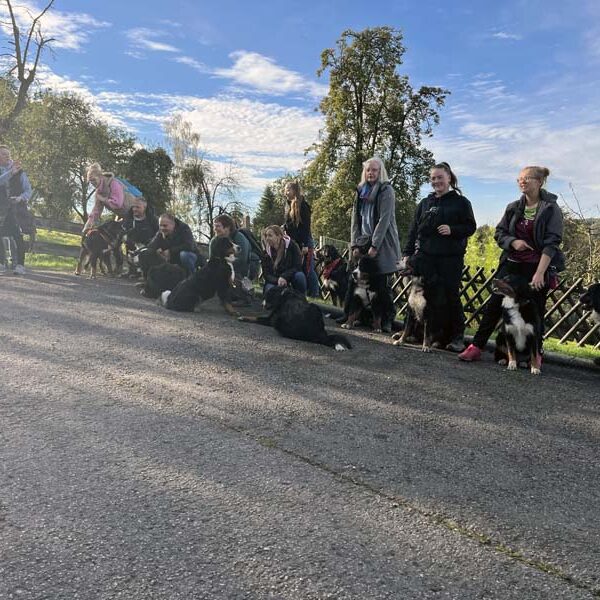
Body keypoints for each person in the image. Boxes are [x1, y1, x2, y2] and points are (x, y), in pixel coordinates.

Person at [459, 165, 564, 362]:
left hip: (537, 266)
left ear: (539, 182)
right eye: (520, 179)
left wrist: (540, 273)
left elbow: (552, 243)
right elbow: (500, 233)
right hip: (511, 264)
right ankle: (477, 346)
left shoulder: (551, 209)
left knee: (536, 310)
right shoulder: (514, 207)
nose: (522, 181)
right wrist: (513, 242)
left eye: (528, 178)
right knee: (493, 305)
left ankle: (536, 354)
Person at [402, 162, 476, 351]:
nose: (436, 181)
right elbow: (413, 230)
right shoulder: (425, 203)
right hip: (426, 259)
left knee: (450, 297)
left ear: (449, 178)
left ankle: (456, 337)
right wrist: (407, 254)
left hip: (450, 259)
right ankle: (413, 332)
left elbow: (470, 227)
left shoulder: (461, 202)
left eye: (440, 177)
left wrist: (453, 230)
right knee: (418, 297)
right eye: (433, 178)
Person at [348, 156, 401, 332]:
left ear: (380, 172)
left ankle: (386, 319)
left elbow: (384, 220)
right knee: (356, 282)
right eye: (368, 170)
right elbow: (355, 219)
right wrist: (354, 244)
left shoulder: (386, 191)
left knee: (382, 285)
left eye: (375, 170)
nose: (371, 173)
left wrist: (375, 245)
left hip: (382, 241)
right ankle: (353, 315)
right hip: (363, 239)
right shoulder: (360, 191)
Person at [283, 181, 319, 297]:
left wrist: (304, 245)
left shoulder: (303, 206)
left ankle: (314, 293)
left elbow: (305, 226)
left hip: (304, 240)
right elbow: (289, 224)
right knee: (299, 266)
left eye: (288, 189)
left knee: (308, 268)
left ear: (295, 191)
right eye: (285, 190)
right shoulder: (288, 205)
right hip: (293, 241)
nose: (286, 192)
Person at [0, 145, 32, 275]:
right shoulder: (9, 171)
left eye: (8, 154)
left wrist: (20, 198)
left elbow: (28, 190)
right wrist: (10, 173)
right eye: (4, 154)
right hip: (1, 209)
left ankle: (20, 265)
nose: (7, 156)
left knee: (17, 236)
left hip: (16, 209)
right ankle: (1, 263)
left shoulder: (20, 171)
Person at [83, 163, 131, 231]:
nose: (92, 183)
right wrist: (86, 227)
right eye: (91, 181)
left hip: (135, 213)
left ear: (100, 176)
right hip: (123, 216)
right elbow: (96, 212)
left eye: (94, 179)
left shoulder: (113, 183)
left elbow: (117, 204)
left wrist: (103, 199)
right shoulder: (99, 192)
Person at [261, 225, 306, 294]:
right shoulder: (266, 253)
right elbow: (266, 274)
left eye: (270, 235)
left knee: (300, 276)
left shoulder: (292, 246)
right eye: (266, 236)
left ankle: (300, 298)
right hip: (274, 281)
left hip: (290, 276)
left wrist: (284, 277)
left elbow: (297, 266)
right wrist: (278, 280)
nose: (267, 238)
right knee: (269, 290)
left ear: (278, 236)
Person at [120, 197, 159, 277]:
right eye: (133, 207)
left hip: (148, 247)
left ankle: (147, 274)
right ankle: (132, 270)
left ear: (144, 208)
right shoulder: (128, 220)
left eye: (137, 207)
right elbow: (122, 233)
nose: (134, 209)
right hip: (131, 247)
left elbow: (159, 234)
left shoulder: (153, 220)